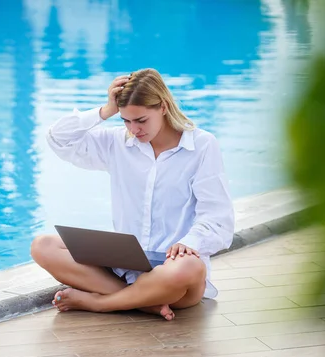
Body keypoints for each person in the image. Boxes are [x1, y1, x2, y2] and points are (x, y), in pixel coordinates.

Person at [30, 68, 234, 320]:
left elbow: (218, 217)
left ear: (163, 106)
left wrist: (188, 243)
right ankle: (142, 302)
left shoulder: (202, 145)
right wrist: (105, 111)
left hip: (174, 270)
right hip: (125, 264)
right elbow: (58, 139)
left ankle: (101, 303)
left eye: (141, 120)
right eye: (126, 120)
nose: (134, 129)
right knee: (43, 246)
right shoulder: (117, 143)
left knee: (190, 266)